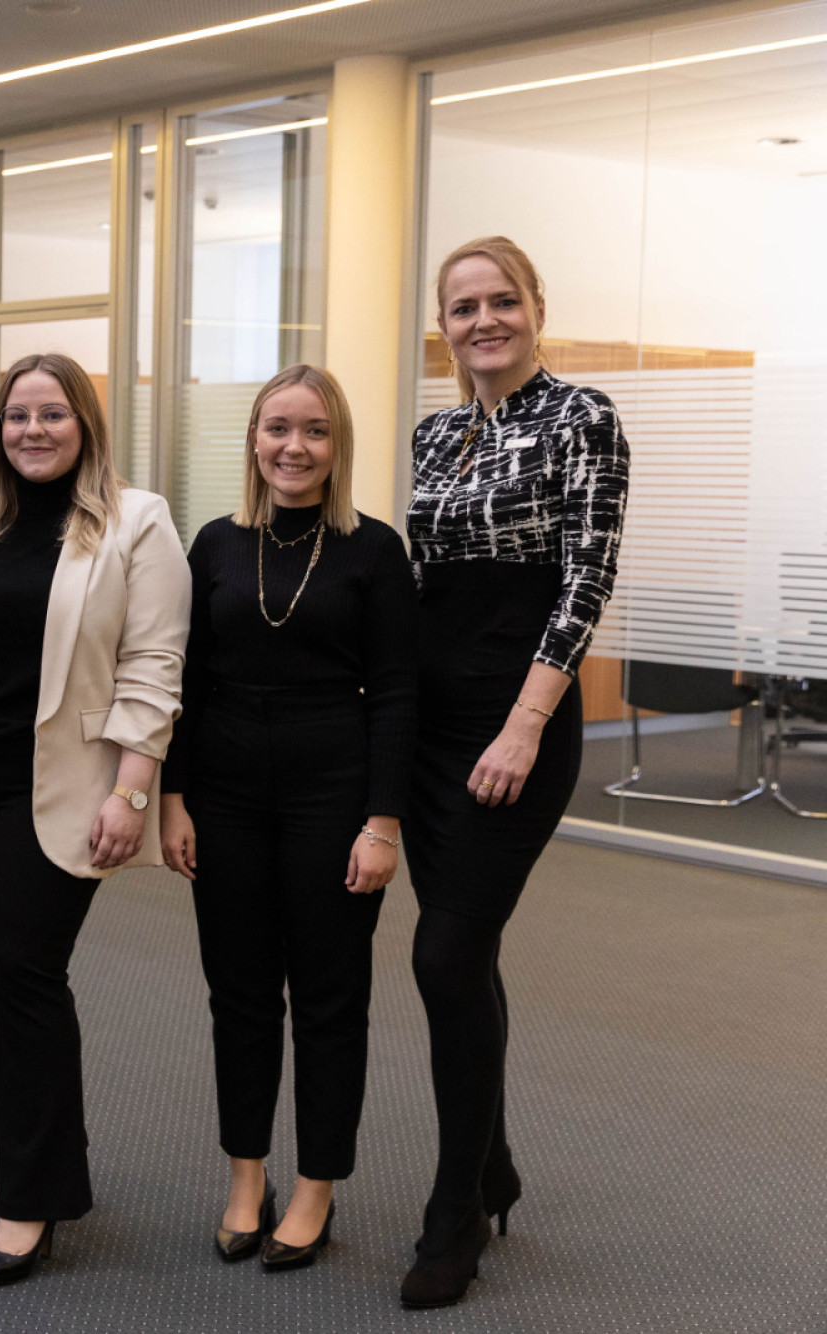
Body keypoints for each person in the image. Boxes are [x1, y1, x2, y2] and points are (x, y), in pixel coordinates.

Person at [0, 352, 191, 1285]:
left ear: (86, 423)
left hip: (62, 787)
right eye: (18, 416)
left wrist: (132, 792)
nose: (34, 430)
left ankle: (32, 1198)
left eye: (54, 414)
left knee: (26, 974)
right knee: (22, 975)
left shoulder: (137, 522)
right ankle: (36, 1160)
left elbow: (154, 666)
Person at [398, 236, 628, 1308]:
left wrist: (524, 723)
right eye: (461, 305)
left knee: (443, 953)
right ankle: (491, 1166)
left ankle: (456, 1211)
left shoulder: (579, 416)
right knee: (464, 950)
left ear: (535, 307)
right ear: (441, 322)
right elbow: (418, 585)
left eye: (500, 300)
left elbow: (585, 577)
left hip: (513, 724)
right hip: (431, 723)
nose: (482, 318)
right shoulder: (435, 431)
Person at [156, 365, 417, 1273]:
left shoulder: (374, 551)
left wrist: (383, 823)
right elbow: (184, 682)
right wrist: (174, 800)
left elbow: (393, 695)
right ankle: (245, 1177)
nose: (292, 448)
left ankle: (316, 1188)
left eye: (313, 431)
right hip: (224, 795)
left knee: (330, 1003)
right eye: (276, 429)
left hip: (332, 795)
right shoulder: (216, 544)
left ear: (337, 445)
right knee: (238, 998)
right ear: (254, 440)